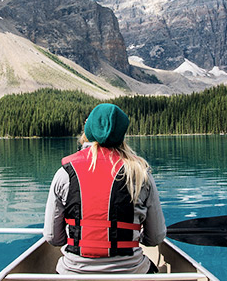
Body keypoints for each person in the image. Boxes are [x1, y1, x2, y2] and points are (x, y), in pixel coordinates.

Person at [43, 103, 166, 275]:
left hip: (73, 273)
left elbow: (53, 238)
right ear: (122, 134)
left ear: (89, 131)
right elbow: (155, 238)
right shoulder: (141, 175)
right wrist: (137, 236)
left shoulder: (64, 174)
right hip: (131, 273)